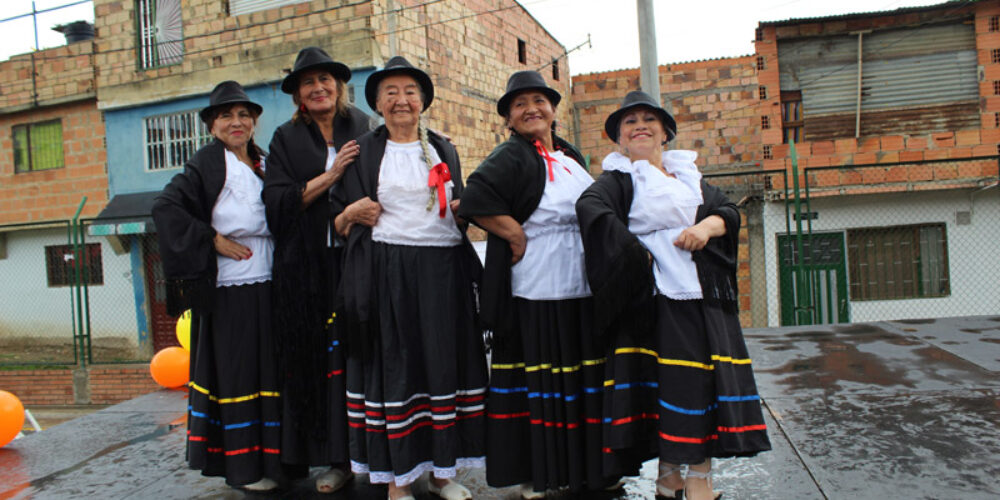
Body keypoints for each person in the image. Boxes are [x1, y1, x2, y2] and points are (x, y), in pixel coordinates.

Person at [576, 90, 772, 500]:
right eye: (630, 122)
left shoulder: (688, 177)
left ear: (665, 132)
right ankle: (669, 474)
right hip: (651, 301)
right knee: (666, 386)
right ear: (620, 139)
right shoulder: (619, 180)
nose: (640, 126)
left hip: (703, 297)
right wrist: (639, 254)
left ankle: (697, 475)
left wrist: (705, 229)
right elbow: (592, 210)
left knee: (700, 384)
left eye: (649, 119)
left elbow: (729, 212)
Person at [336, 56, 487, 500]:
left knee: (444, 365)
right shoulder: (364, 151)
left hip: (443, 271)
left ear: (422, 101)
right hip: (389, 270)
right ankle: (398, 481)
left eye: (409, 92)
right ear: (378, 104)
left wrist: (465, 213)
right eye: (391, 93)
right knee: (398, 368)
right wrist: (349, 213)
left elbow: (453, 208)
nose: (401, 100)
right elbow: (340, 218)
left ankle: (443, 473)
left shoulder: (444, 147)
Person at [458, 71, 612, 499]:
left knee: (579, 380)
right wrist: (514, 233)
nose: (531, 109)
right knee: (538, 383)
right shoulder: (511, 156)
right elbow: (473, 199)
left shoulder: (568, 155)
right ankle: (533, 474)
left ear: (553, 110)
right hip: (536, 288)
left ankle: (583, 469)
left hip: (579, 284)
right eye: (520, 104)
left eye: (539, 101)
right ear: (509, 118)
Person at [152, 81, 282, 491]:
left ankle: (275, 462)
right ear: (212, 126)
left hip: (270, 281)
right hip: (231, 288)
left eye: (244, 114)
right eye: (226, 115)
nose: (237, 122)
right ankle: (242, 470)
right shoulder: (208, 164)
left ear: (255, 122)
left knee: (269, 372)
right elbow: (166, 207)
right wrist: (212, 239)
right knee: (239, 373)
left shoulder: (264, 162)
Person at [262, 46, 373, 493]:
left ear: (338, 86)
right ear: (299, 96)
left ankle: (372, 451)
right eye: (308, 83)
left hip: (357, 260)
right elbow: (276, 204)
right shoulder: (284, 139)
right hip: (306, 269)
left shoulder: (363, 125)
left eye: (325, 79)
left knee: (360, 358)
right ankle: (332, 459)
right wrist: (331, 175)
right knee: (317, 362)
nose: (319, 88)